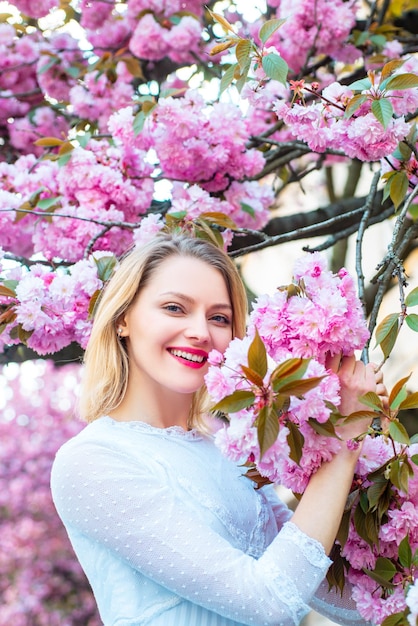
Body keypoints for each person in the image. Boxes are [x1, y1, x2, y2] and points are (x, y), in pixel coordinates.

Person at [51, 232, 386, 626]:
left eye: (219, 318)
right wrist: (344, 438)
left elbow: (341, 601)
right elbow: (271, 602)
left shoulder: (228, 451)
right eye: (175, 308)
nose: (200, 332)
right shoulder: (92, 461)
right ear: (124, 318)